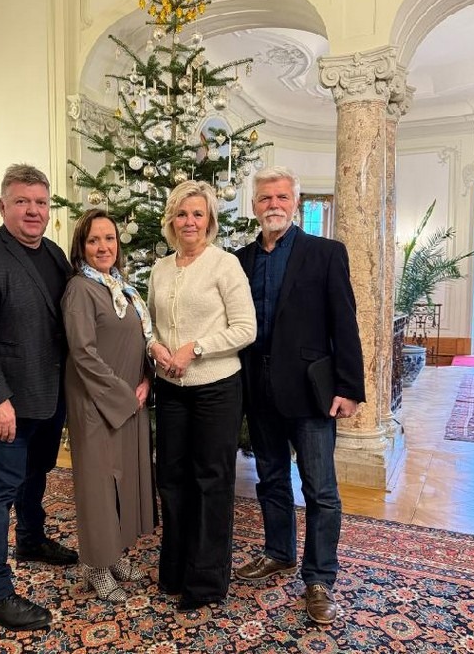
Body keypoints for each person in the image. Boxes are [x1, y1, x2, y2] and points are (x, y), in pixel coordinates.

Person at [234, 165, 365, 626]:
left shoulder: (325, 253)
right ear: (255, 206)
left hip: (311, 392)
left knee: (320, 489)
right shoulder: (240, 259)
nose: (274, 204)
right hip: (259, 387)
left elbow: (344, 321)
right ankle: (279, 552)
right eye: (265, 198)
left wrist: (349, 388)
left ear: (296, 202)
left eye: (282, 197)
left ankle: (319, 578)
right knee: (270, 478)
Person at [0, 164, 78, 632]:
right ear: (2, 205)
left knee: (36, 473)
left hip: (50, 397)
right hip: (8, 402)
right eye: (22, 201)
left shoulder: (55, 254)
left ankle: (30, 538)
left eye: (40, 202)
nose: (33, 210)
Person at [147, 180, 256, 611]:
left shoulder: (224, 265)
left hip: (217, 388)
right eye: (181, 213)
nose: (189, 221)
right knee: (171, 479)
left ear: (209, 220)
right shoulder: (160, 268)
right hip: (171, 389)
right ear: (171, 220)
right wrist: (154, 346)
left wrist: (196, 347)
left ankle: (207, 580)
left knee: (211, 481)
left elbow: (246, 328)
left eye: (198, 213)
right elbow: (151, 324)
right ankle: (175, 570)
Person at [61, 209, 156, 603]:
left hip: (131, 400)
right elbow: (83, 353)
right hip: (96, 403)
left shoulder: (122, 288)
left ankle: (114, 555)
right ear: (81, 247)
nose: (103, 247)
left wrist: (146, 380)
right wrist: (123, 395)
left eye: (110, 238)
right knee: (98, 486)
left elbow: (142, 339)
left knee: (122, 482)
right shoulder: (80, 290)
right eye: (94, 240)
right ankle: (95, 566)